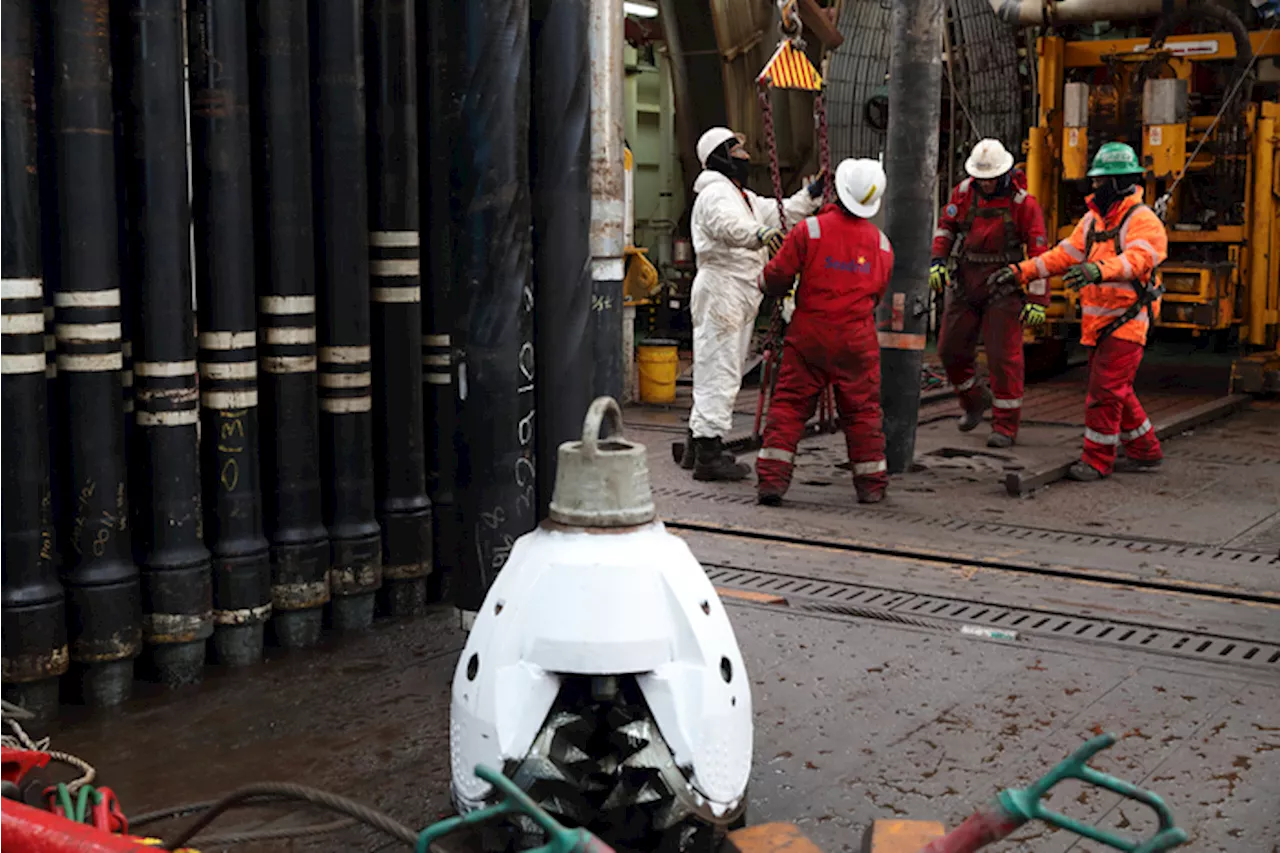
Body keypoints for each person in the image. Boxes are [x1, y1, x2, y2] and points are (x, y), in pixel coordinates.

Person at [988, 141, 1167, 481]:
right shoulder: (1092, 221)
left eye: (1100, 182)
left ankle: (1097, 460)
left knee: (1105, 391)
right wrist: (1020, 271)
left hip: (1127, 321)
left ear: (1117, 182)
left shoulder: (1143, 221)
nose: (1095, 187)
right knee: (1116, 388)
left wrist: (1099, 270)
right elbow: (1062, 256)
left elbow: (1139, 259)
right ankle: (1146, 449)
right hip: (1101, 322)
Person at [681, 126, 825, 481]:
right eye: (738, 151)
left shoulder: (741, 196)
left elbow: (782, 212)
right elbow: (728, 227)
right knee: (721, 369)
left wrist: (811, 194)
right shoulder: (715, 195)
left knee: (716, 364)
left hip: (737, 292)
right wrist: (758, 235)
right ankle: (709, 455)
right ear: (721, 156)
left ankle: (696, 443)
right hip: (723, 290)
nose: (746, 157)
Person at [754, 158, 893, 506]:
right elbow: (877, 294)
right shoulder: (882, 246)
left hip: (809, 336)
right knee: (863, 412)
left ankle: (772, 481)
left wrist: (767, 283)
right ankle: (871, 485)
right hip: (857, 340)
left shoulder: (809, 231)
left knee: (789, 405)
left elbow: (776, 277)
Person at [930, 138, 1050, 448]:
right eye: (980, 178)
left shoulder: (1024, 205)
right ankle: (973, 400)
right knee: (949, 349)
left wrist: (1037, 300)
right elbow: (947, 226)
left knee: (1003, 360)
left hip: (1003, 288)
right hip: (965, 283)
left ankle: (1005, 426)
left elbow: (1039, 255)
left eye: (989, 178)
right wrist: (937, 261)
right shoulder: (963, 193)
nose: (984, 184)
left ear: (1004, 174)